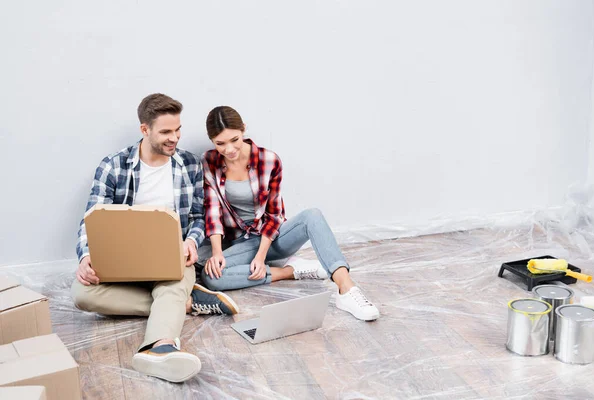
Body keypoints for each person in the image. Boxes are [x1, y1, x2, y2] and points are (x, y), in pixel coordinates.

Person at [71, 94, 240, 383]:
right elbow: (91, 218)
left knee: (172, 284)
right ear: (145, 130)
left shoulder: (188, 164)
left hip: (172, 252)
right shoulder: (114, 165)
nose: (174, 138)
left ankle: (160, 348)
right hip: (122, 256)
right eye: (165, 132)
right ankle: (187, 303)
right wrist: (87, 256)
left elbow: (199, 216)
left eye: (177, 130)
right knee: (82, 294)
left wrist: (190, 241)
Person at [197, 106, 379, 321]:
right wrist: (217, 252)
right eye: (220, 143)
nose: (229, 149)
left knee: (313, 215)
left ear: (243, 129)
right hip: (241, 243)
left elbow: (274, 214)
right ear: (212, 141)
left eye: (234, 139)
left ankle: (346, 290)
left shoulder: (269, 160)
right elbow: (212, 210)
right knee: (211, 277)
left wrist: (261, 256)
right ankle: (291, 271)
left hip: (273, 237)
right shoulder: (209, 162)